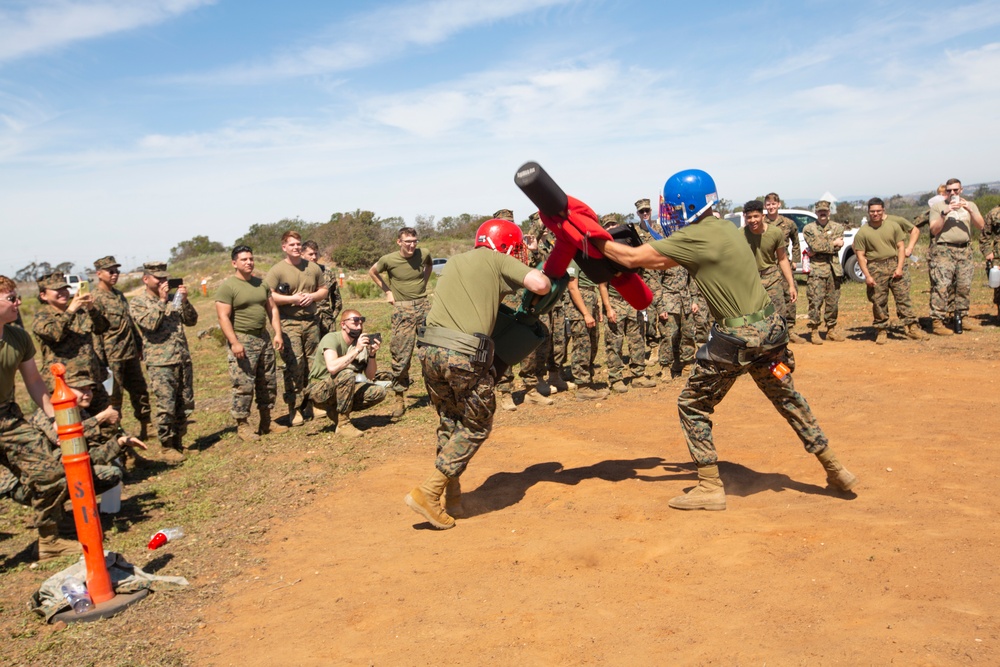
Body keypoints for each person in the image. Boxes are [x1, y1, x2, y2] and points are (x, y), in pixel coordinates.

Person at [593, 169, 857, 511]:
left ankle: (709, 486)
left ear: (685, 206)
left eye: (671, 209)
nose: (669, 216)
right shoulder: (726, 228)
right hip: (771, 332)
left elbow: (631, 258)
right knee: (786, 395)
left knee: (693, 404)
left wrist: (589, 239)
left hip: (737, 339)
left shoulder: (696, 236)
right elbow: (661, 257)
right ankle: (835, 467)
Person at [404, 218, 551, 529]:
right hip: (462, 355)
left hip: (429, 350)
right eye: (516, 250)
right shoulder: (496, 259)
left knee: (451, 420)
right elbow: (540, 285)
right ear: (506, 246)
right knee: (476, 424)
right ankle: (428, 492)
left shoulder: (456, 261)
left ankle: (453, 498)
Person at [0, 275, 80, 560]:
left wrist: (54, 418)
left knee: (53, 472)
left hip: (8, 419)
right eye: (11, 298)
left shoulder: (17, 337)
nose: (18, 303)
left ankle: (49, 540)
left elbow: (33, 381)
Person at [215, 245, 287, 441]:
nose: (249, 262)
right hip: (243, 338)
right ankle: (243, 425)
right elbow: (223, 317)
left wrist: (277, 333)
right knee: (243, 383)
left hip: (262, 338)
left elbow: (272, 310)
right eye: (244, 259)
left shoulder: (261, 284)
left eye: (251, 259)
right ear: (234, 263)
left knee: (268, 381)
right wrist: (234, 342)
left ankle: (267, 421)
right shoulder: (228, 287)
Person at [130, 262, 198, 462]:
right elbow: (150, 324)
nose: (162, 282)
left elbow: (191, 320)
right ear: (146, 279)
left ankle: (178, 442)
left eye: (164, 278)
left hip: (181, 358)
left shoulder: (173, 299)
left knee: (183, 402)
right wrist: (161, 301)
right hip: (161, 362)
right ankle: (166, 446)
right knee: (166, 405)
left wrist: (184, 301)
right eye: (157, 278)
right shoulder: (138, 302)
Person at [368, 227, 432, 420]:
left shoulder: (424, 253)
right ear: (399, 242)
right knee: (401, 355)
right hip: (402, 310)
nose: (412, 245)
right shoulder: (389, 259)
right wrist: (387, 291)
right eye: (407, 241)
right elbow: (372, 272)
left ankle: (434, 392)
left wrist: (424, 281)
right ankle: (399, 397)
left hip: (423, 307)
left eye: (414, 241)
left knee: (429, 352)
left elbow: (429, 265)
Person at [265, 231, 328, 425]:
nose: (296, 247)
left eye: (298, 244)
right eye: (292, 244)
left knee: (313, 363)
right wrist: (291, 299)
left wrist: (313, 297)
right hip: (288, 323)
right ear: (284, 247)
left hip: (311, 321)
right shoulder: (277, 270)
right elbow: (268, 296)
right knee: (295, 364)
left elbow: (324, 290)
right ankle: (295, 408)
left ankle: (315, 403)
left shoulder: (312, 267)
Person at [31, 271, 111, 412]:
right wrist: (71, 310)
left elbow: (102, 328)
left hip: (91, 379)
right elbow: (55, 334)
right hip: (66, 383)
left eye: (65, 288)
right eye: (57, 290)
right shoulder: (41, 317)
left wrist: (91, 309)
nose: (63, 292)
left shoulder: (81, 313)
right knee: (72, 424)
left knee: (107, 422)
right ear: (43, 295)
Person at [92, 255, 152, 439]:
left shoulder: (118, 295)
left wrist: (139, 344)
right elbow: (95, 332)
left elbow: (129, 323)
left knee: (139, 390)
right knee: (113, 397)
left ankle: (146, 427)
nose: (115, 274)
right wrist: (101, 362)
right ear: (99, 274)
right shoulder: (94, 298)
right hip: (112, 356)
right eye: (111, 271)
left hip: (130, 352)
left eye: (117, 271)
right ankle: (116, 434)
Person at [304, 309, 387, 437]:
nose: (359, 327)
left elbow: (370, 376)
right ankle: (343, 424)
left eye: (361, 323)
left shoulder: (359, 343)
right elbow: (332, 367)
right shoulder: (331, 338)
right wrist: (356, 350)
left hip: (343, 387)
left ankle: (336, 411)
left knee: (378, 392)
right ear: (343, 325)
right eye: (355, 323)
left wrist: (371, 355)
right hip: (319, 390)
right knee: (347, 373)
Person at [853, 199, 924, 344]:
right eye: (872, 211)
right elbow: (860, 255)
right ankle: (881, 330)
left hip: (894, 263)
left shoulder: (893, 226)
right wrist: (867, 275)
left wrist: (899, 267)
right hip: (875, 267)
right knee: (879, 301)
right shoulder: (862, 232)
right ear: (868, 212)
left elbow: (900, 247)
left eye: (878, 211)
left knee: (903, 297)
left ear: (883, 210)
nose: (876, 214)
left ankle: (911, 327)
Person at [599, 214, 656, 393]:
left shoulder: (629, 246)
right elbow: (602, 284)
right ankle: (616, 378)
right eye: (607, 226)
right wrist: (608, 308)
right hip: (615, 302)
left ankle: (638, 375)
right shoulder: (604, 254)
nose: (611, 228)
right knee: (614, 343)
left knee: (637, 339)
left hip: (632, 302)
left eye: (613, 224)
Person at [928, 179, 985, 335]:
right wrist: (945, 213)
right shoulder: (938, 207)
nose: (952, 193)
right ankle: (937, 320)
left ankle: (961, 316)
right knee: (941, 286)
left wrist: (970, 211)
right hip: (944, 250)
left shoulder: (970, 205)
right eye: (949, 191)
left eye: (955, 190)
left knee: (963, 286)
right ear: (945, 192)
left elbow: (981, 226)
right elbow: (934, 230)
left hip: (964, 251)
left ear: (961, 190)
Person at [743, 200, 798, 319]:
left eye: (756, 216)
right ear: (745, 218)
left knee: (778, 318)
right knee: (754, 319)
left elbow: (782, 259)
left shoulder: (775, 233)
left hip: (771, 280)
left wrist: (791, 285)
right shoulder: (740, 235)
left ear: (763, 216)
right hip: (751, 282)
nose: (753, 220)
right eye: (749, 217)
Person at [801, 202, 847, 344]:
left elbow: (835, 248)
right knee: (815, 301)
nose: (823, 213)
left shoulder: (837, 227)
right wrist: (832, 243)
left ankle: (831, 330)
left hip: (834, 270)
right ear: (816, 212)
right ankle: (814, 330)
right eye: (820, 211)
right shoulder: (809, 228)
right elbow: (815, 246)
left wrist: (818, 248)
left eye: (825, 211)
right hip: (817, 270)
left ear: (829, 212)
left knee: (833, 302)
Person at [566, 259, 609, 400]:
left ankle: (588, 381)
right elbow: (572, 287)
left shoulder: (588, 261)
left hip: (591, 303)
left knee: (593, 344)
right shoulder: (573, 261)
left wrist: (598, 309)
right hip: (580, 309)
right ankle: (582, 387)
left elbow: (594, 287)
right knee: (582, 346)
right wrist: (585, 313)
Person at [764, 193, 804, 343]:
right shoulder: (761, 223)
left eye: (773, 204)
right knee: (769, 299)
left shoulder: (788, 223)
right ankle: (772, 330)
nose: (771, 207)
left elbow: (796, 242)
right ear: (765, 206)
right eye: (768, 204)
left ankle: (790, 329)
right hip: (767, 265)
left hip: (784, 264)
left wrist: (795, 260)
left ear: (779, 204)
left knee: (789, 296)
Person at [301, 240, 343, 339]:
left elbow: (337, 300)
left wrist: (331, 317)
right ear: (302, 255)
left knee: (329, 349)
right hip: (306, 320)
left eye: (316, 254)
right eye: (310, 254)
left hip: (326, 320)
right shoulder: (298, 273)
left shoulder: (327, 273)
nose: (314, 257)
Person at [981, 205, 1000, 322]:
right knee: (998, 286)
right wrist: (988, 252)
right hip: (998, 255)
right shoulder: (994, 213)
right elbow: (984, 236)